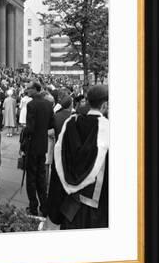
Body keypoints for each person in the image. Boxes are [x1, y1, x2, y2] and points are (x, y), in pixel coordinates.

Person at [46, 85, 109, 229]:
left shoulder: (71, 123)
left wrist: (54, 209)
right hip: (97, 210)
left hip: (69, 207)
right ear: (105, 104)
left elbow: (58, 165)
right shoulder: (109, 130)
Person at [23, 81, 54, 216]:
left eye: (29, 89)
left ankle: (33, 207)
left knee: (31, 178)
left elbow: (30, 128)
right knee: (41, 177)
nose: (26, 91)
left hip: (33, 145)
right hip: (43, 145)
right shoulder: (48, 104)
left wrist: (25, 132)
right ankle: (45, 207)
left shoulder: (31, 104)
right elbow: (50, 124)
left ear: (35, 89)